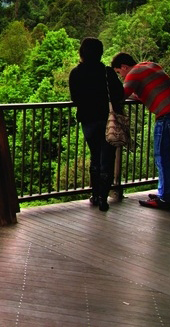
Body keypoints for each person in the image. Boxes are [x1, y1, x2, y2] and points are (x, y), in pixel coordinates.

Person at [111, 52, 170, 209]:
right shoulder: (149, 65)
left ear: (124, 67)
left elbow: (120, 95)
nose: (121, 77)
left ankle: (165, 198)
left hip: (167, 114)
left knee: (163, 155)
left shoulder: (133, 74)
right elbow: (146, 91)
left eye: (119, 73)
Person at [69, 38, 124, 212]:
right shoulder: (107, 72)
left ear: (82, 52)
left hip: (88, 120)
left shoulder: (76, 73)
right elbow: (119, 93)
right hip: (108, 119)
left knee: (95, 156)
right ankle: (103, 199)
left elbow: (75, 98)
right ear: (100, 52)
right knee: (107, 158)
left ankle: (94, 194)